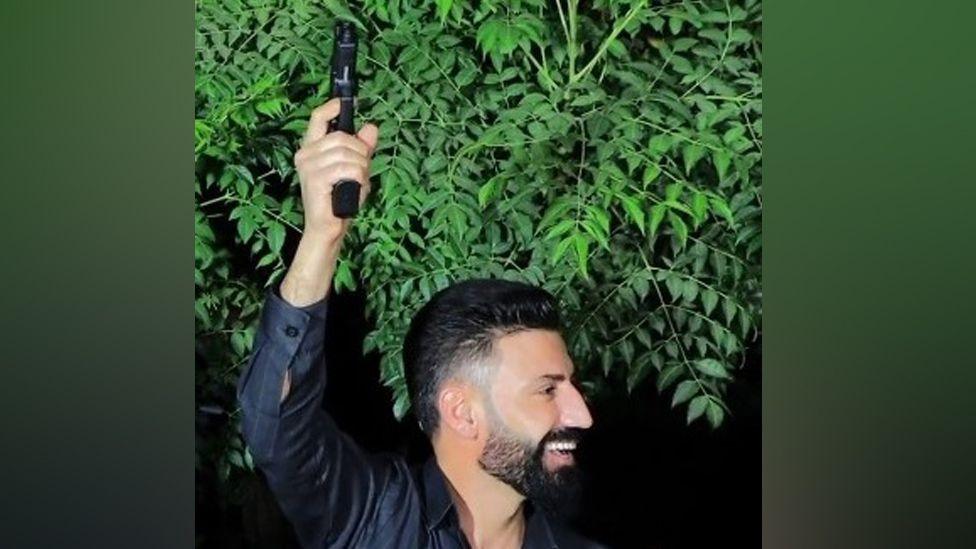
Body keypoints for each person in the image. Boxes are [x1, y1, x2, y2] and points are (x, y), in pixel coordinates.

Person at [238, 98, 605, 548]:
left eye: (571, 387)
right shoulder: (375, 516)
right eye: (548, 389)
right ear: (461, 411)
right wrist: (322, 236)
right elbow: (277, 424)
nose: (582, 415)